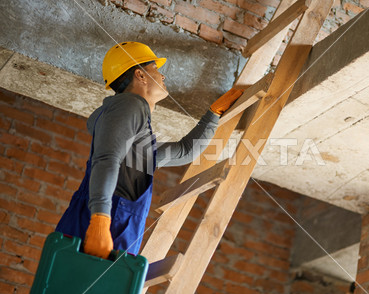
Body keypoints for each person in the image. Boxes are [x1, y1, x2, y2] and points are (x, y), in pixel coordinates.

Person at [55, 41, 243, 259]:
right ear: (140, 75)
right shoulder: (131, 104)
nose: (163, 77)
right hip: (102, 225)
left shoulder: (133, 133)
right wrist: (100, 219)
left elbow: (184, 151)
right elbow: (106, 159)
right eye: (157, 69)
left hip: (113, 226)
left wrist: (213, 114)